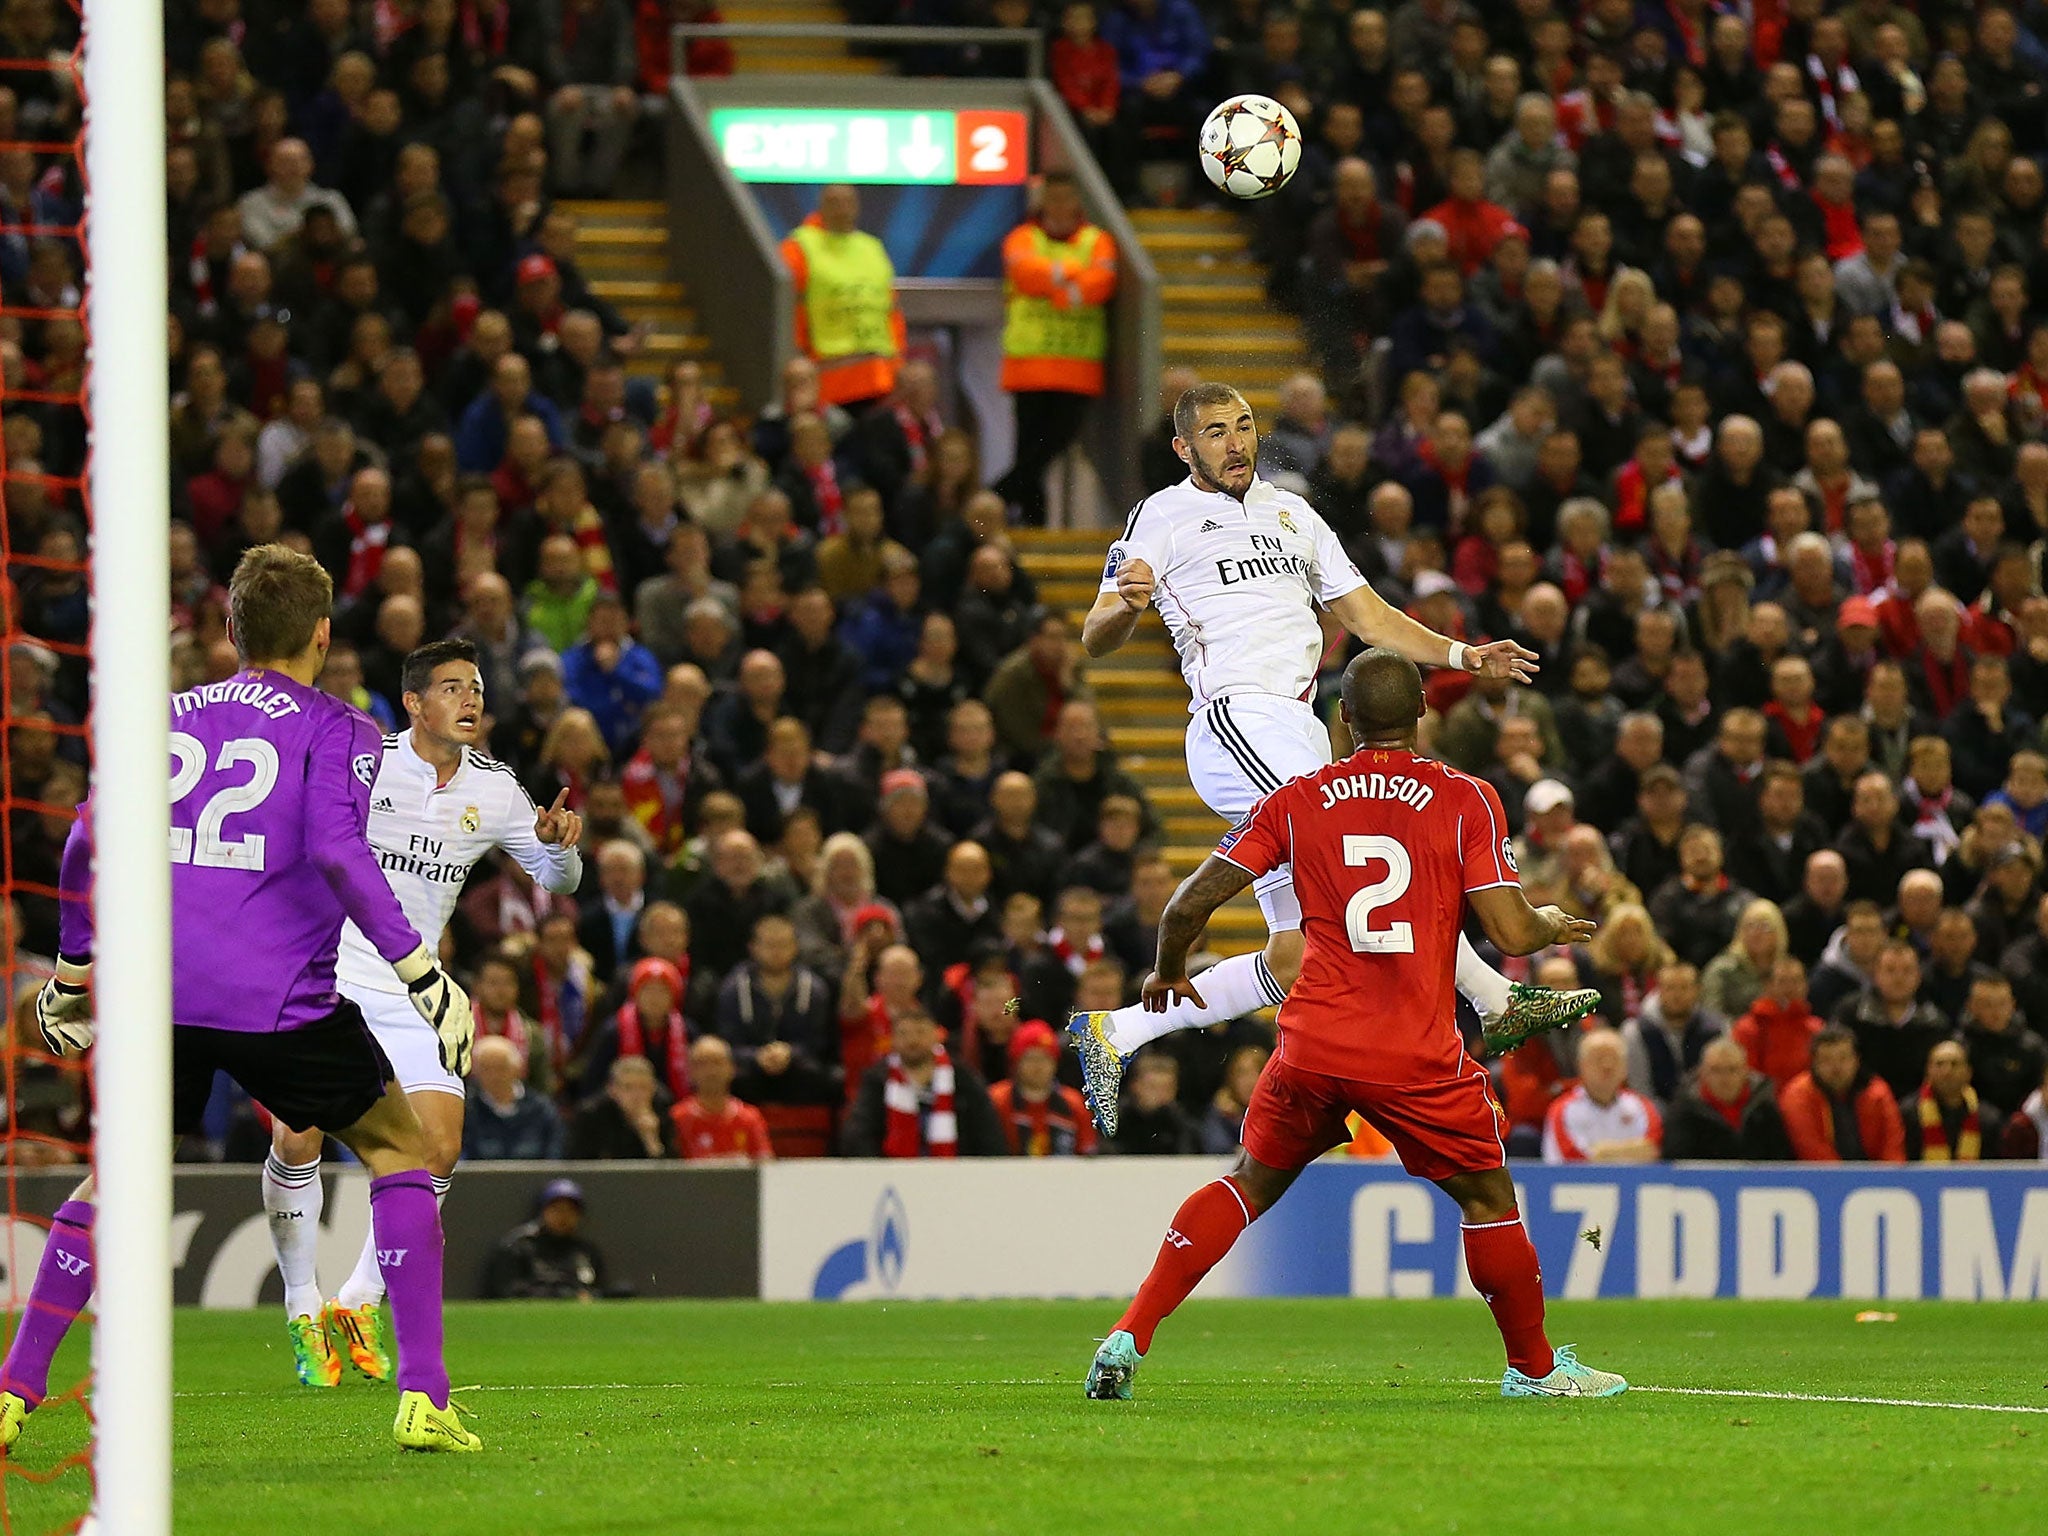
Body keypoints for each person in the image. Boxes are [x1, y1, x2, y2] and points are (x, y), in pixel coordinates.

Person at [7, 545, 479, 1453]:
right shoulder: (340, 728)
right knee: (397, 1147)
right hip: (278, 1000)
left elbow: (81, 841)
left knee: (115, 1182)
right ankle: (424, 1395)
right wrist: (420, 970)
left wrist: (72, 974)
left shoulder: (163, 717)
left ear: (229, 631)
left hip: (160, 996)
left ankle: (15, 1390)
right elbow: (341, 855)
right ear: (322, 635)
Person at [1085, 650, 1622, 1402]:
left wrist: (1170, 969)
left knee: (1246, 1185)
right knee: (1490, 1201)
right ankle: (1534, 1372)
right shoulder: (1466, 798)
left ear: (1342, 718)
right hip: (1413, 1052)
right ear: (1423, 713)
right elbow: (1511, 932)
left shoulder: (1299, 798)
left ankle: (1127, 1335)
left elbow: (1186, 906)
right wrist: (1552, 924)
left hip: (1314, 1043)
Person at [1070, 383, 1594, 1132]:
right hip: (1234, 718)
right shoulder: (1162, 514)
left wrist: (1463, 656)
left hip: (1303, 727)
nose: (1235, 442)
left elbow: (1367, 614)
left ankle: (1115, 1033)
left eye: (1244, 426)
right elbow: (1096, 633)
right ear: (1185, 448)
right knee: (1362, 857)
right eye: (1215, 432)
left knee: (1297, 957)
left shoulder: (1292, 512)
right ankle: (1496, 999)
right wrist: (1125, 602)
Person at [262, 637, 584, 1383]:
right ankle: (301, 1304)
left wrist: (559, 846)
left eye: (475, 687)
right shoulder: (364, 763)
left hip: (414, 988)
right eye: (451, 687)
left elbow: (557, 880)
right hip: (327, 971)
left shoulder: (496, 789)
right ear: (413, 703)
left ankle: (357, 1300)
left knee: (437, 1146)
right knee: (299, 1133)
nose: (471, 699)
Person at [993, 172, 1119, 526]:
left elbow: (1102, 283)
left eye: (1067, 198)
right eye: (1054, 198)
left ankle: (992, 498)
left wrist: (1054, 284)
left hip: (1077, 366)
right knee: (1030, 452)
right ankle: (1033, 525)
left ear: (1078, 201)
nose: (1061, 206)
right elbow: (1025, 275)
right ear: (1042, 201)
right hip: (1028, 364)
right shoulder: (1021, 238)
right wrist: (1072, 279)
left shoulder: (1098, 240)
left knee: (1047, 449)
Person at [779, 185, 904, 412]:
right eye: (834, 202)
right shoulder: (799, 248)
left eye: (848, 202)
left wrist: (897, 364)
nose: (842, 209)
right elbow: (789, 311)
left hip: (881, 377)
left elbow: (890, 310)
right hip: (829, 378)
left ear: (857, 207)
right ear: (821, 206)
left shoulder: (872, 248)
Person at [841, 1009, 1006, 1157]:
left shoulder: (964, 1079)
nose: (912, 1040)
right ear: (893, 1039)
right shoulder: (877, 1080)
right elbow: (858, 1133)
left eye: (920, 1032)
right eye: (904, 1034)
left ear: (936, 1035)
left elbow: (988, 1135)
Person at [1777, 1026, 1906, 1163]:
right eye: (1826, 1060)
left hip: (1875, 1177)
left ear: (1857, 1060)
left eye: (1843, 1058)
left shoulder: (1877, 1093)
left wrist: (1888, 1179)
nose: (1836, 1067)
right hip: (1820, 1178)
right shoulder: (1798, 1096)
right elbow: (1812, 1151)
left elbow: (1893, 1146)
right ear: (1813, 1063)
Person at [1541, 1028, 1662, 1162]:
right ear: (1581, 1066)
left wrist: (1602, 1152)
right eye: (1599, 1058)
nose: (1607, 1065)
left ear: (1625, 1067)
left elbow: (1651, 1150)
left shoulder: (1643, 1107)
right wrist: (1628, 1151)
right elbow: (1574, 1158)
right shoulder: (1561, 1110)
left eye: (1614, 1058)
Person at [1661, 1036, 1787, 1161]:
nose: (1724, 1078)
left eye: (1732, 1070)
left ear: (1745, 1072)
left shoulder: (1764, 1107)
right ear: (1702, 1073)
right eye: (1716, 1070)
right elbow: (1676, 1161)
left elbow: (1782, 1160)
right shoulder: (1684, 1111)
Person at [482, 1178, 609, 1300]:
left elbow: (595, 1290)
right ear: (542, 1212)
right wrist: (560, 1296)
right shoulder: (519, 1246)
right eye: (556, 1209)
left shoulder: (585, 1251)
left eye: (570, 1210)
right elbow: (507, 1290)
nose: (563, 1216)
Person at [987, 1019, 1097, 1155]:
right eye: (1030, 1058)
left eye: (1045, 1058)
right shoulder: (997, 1100)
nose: (1038, 1066)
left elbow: (1087, 1153)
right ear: (1016, 1061)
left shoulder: (1074, 1105)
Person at [462, 1035, 566, 1162]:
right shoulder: (467, 1111)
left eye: (501, 1068)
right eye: (486, 1068)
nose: (494, 1076)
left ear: (517, 1069)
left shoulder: (541, 1109)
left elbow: (555, 1154)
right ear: (475, 1072)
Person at [670, 1035, 775, 1161]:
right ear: (690, 1071)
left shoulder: (749, 1118)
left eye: (717, 1062)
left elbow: (765, 1163)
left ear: (732, 1068)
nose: (711, 1071)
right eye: (702, 1064)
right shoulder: (678, 1118)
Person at [1902, 1040, 2006, 1162]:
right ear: (1928, 1071)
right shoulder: (1907, 1114)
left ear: (1968, 1073)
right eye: (1939, 1064)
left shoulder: (1989, 1119)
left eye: (1954, 1064)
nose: (1947, 1071)